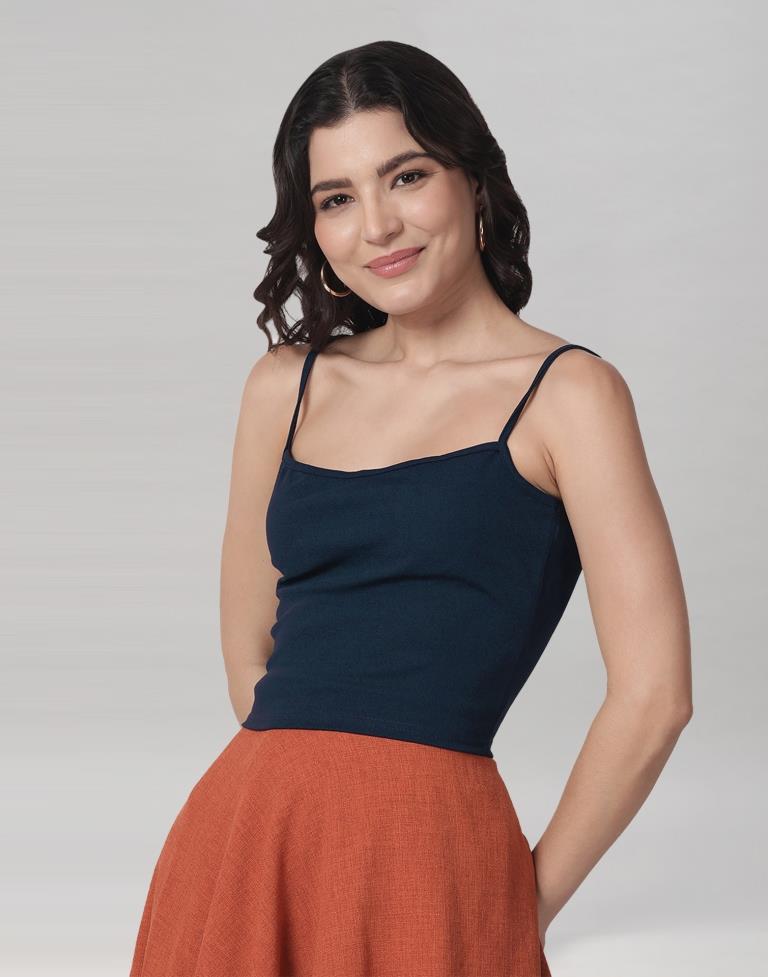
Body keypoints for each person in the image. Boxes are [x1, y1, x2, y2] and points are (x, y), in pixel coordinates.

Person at [129, 39, 692, 977]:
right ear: (314, 228)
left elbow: (655, 697)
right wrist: (300, 804)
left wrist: (521, 899)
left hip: (430, 848)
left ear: (473, 178)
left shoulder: (570, 396)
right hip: (243, 844)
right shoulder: (283, 386)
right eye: (336, 199)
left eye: (407, 175)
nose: (379, 225)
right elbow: (248, 657)